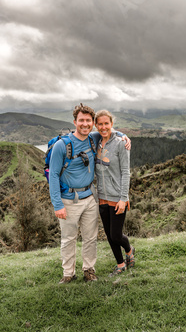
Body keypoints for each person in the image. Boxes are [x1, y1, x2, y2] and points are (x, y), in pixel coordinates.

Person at [48, 104, 130, 284]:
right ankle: (68, 273)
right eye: (81, 120)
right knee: (68, 239)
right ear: (74, 122)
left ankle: (89, 270)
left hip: (90, 198)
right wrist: (57, 204)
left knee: (90, 238)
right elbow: (53, 175)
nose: (85, 124)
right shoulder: (62, 145)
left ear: (92, 123)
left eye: (88, 121)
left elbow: (109, 131)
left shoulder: (93, 138)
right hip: (68, 200)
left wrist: (124, 136)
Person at [94, 110, 135, 277]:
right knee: (109, 236)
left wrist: (123, 199)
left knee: (116, 235)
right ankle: (120, 265)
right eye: (100, 124)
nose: (103, 127)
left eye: (106, 124)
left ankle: (129, 250)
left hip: (117, 197)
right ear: (96, 125)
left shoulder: (120, 143)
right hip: (102, 197)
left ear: (111, 124)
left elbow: (126, 172)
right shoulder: (94, 141)